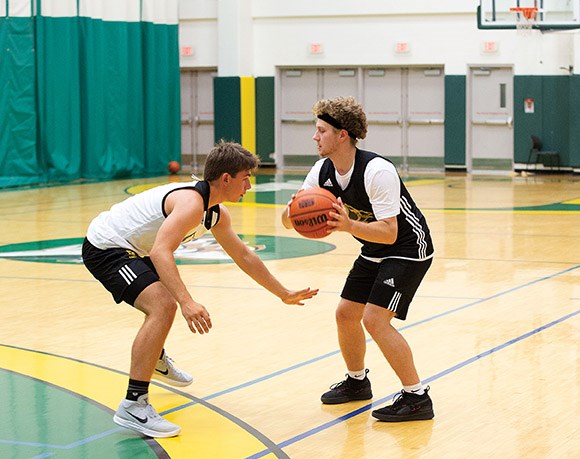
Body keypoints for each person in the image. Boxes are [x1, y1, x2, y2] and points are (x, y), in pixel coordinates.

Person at [83, 140, 318, 438]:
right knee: (164, 305)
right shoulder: (191, 204)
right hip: (106, 247)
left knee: (164, 303)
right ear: (225, 179)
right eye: (246, 178)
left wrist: (282, 293)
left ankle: (153, 357)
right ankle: (134, 405)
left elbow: (243, 255)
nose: (248, 186)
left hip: (136, 248)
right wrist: (187, 302)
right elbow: (160, 252)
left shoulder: (215, 212)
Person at [281, 96, 435, 422]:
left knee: (375, 320)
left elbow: (391, 233)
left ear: (342, 135)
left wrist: (349, 225)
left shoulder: (377, 171)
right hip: (373, 249)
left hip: (408, 249)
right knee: (345, 314)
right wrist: (293, 210)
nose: (314, 137)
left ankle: (417, 397)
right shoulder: (322, 171)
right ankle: (356, 383)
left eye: (321, 130)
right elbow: (286, 220)